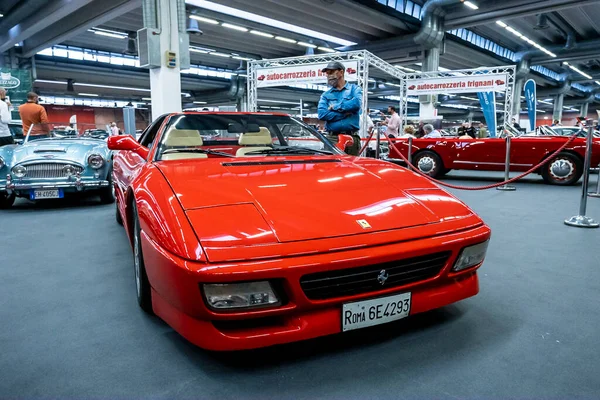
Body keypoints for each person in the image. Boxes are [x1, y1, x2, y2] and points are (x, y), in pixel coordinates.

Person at [317, 61, 363, 155]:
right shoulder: (326, 95)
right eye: (327, 73)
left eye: (331, 72)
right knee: (331, 168)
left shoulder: (354, 89)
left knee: (352, 168)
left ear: (341, 72)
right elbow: (322, 114)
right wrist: (344, 113)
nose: (328, 76)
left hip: (351, 138)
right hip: (332, 138)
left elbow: (356, 104)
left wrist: (335, 106)